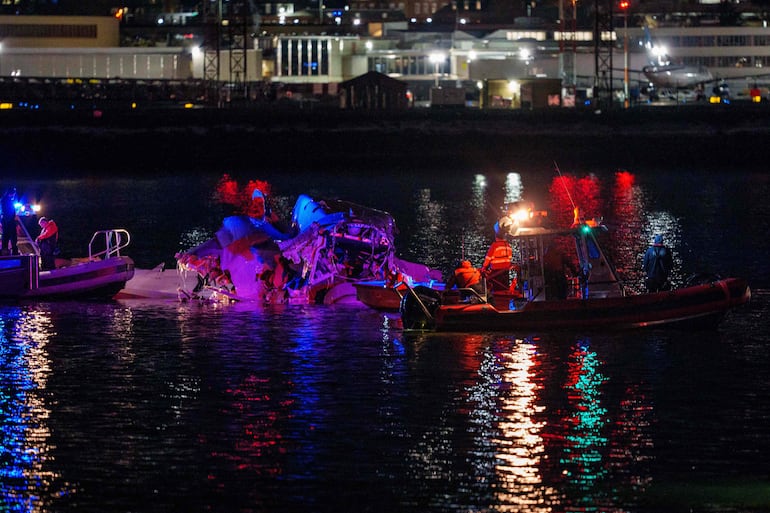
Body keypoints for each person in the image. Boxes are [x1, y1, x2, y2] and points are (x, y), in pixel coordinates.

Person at [1, 187, 19, 255]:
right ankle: (14, 252)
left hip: (7, 221)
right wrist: (13, 220)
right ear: (11, 193)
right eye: (13, 194)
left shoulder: (4, 200)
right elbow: (8, 212)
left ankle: (5, 251)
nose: (14, 196)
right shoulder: (7, 201)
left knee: (6, 237)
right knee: (11, 237)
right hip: (9, 222)